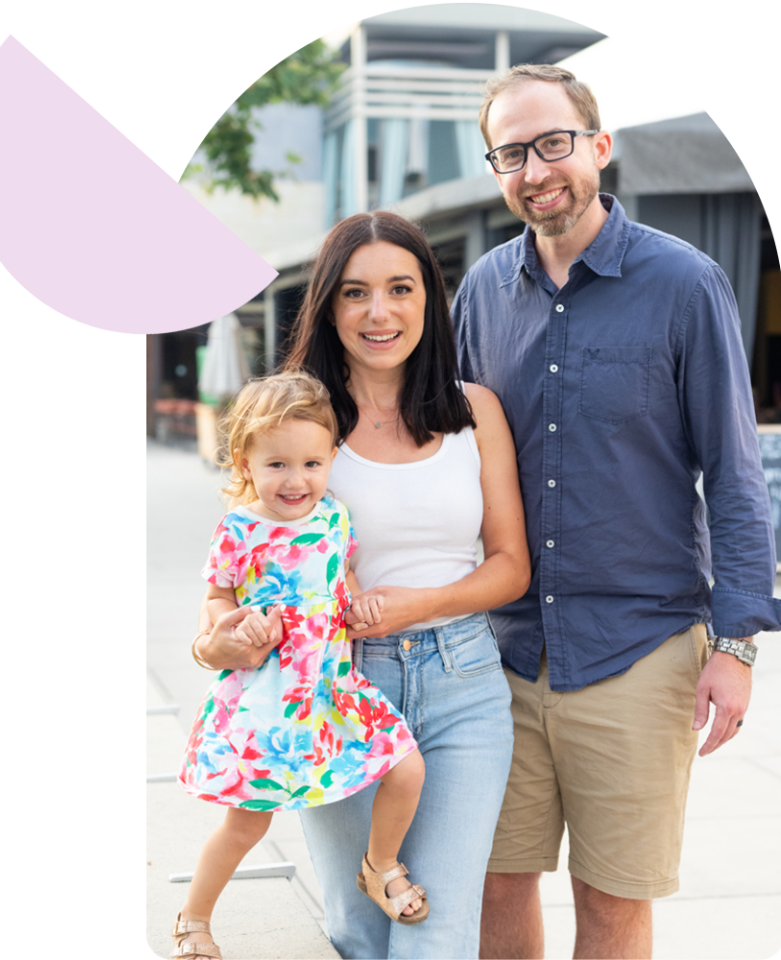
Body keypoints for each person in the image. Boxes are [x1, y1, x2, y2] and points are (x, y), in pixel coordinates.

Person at [450, 64, 781, 960]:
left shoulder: (686, 283)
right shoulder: (480, 290)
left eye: (552, 142)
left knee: (612, 901)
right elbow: (447, 457)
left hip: (639, 650)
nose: (535, 168)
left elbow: (735, 471)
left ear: (599, 146)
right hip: (502, 652)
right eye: (510, 152)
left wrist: (738, 646)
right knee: (492, 882)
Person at [193, 211, 531, 960]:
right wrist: (225, 635)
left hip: (463, 684)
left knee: (435, 929)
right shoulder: (298, 423)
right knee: (358, 930)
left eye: (400, 289)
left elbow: (510, 565)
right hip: (332, 686)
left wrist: (421, 603)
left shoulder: (475, 411)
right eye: (355, 293)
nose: (379, 313)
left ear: (427, 300)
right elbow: (232, 570)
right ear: (328, 305)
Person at [174, 371, 434, 960]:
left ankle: (380, 864)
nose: (296, 480)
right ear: (244, 462)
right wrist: (232, 623)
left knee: (407, 768)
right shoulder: (240, 529)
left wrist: (360, 599)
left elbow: (343, 579)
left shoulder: (334, 517)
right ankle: (194, 916)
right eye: (277, 465)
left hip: (334, 691)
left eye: (312, 464)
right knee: (246, 825)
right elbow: (217, 597)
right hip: (268, 698)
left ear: (332, 458)